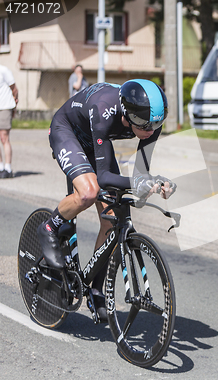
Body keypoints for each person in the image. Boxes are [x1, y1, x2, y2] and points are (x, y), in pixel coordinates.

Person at [37, 80, 176, 321]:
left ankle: (95, 288)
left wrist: (155, 184)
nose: (151, 131)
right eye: (145, 125)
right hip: (67, 131)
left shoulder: (149, 121)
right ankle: (49, 226)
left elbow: (139, 175)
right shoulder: (104, 109)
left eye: (157, 124)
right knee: (89, 192)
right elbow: (103, 177)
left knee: (113, 219)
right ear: (128, 113)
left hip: (96, 141)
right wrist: (139, 183)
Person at [0, 64, 18, 179]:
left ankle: (8, 168)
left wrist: (15, 105)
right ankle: (0, 167)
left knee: (4, 137)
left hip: (5, 106)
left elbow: (14, 89)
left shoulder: (4, 70)